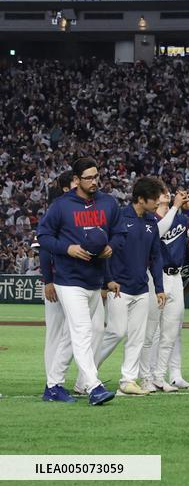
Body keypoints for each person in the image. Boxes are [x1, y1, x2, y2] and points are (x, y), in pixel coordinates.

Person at [36, 158, 118, 406]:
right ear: (76, 179)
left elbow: (119, 233)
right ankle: (94, 387)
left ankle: (53, 386)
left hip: (93, 279)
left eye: (96, 176)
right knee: (83, 332)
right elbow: (43, 236)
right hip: (68, 279)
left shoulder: (108, 202)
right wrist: (67, 248)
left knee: (70, 338)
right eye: (89, 178)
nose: (94, 181)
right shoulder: (61, 206)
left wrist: (111, 247)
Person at [94, 177, 167, 396]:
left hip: (141, 289)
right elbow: (105, 252)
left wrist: (159, 287)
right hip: (118, 287)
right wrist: (107, 280)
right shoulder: (117, 218)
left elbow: (155, 257)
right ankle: (87, 375)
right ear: (141, 199)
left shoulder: (151, 222)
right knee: (115, 332)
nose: (158, 204)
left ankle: (128, 381)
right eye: (154, 199)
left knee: (137, 336)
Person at [146, 186, 189, 392]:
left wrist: (188, 210)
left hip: (176, 276)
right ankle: (147, 376)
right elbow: (158, 231)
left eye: (167, 192)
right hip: (155, 277)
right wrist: (174, 208)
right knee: (151, 331)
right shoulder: (149, 218)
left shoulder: (179, 219)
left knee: (170, 331)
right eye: (161, 192)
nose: (167, 194)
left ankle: (160, 377)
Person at [34, 171, 77, 402]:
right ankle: (52, 384)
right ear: (64, 187)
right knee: (56, 334)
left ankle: (56, 382)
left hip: (73, 280)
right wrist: (48, 281)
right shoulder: (56, 210)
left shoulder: (77, 209)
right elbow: (43, 247)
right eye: (75, 181)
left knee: (72, 333)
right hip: (56, 281)